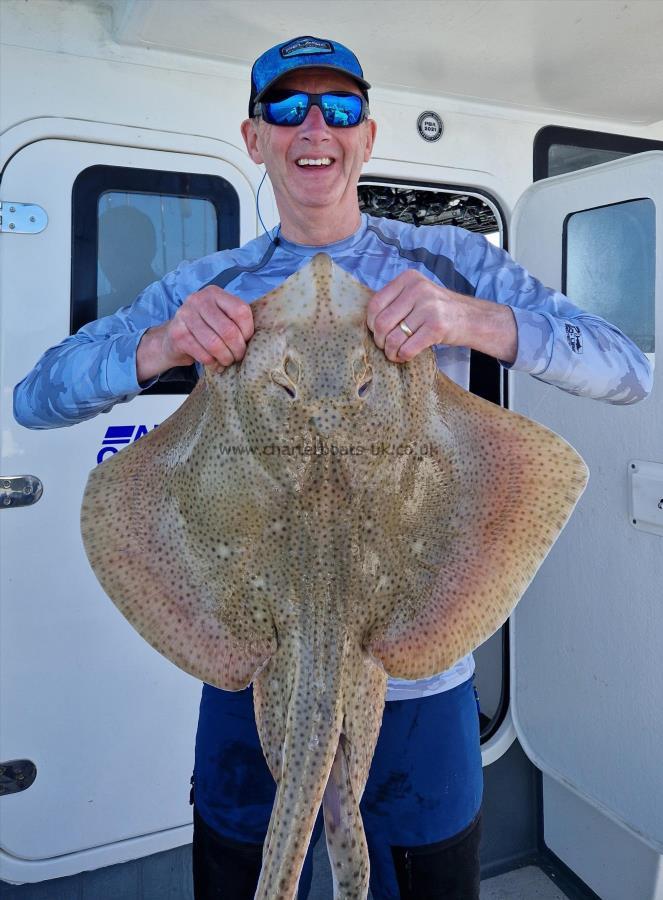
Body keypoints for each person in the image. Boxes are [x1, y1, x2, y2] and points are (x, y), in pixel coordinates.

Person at [14, 34, 652, 900]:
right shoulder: (217, 279)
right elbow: (36, 396)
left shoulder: (450, 262)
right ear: (254, 138)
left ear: (367, 133)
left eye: (338, 107)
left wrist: (472, 321)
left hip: (416, 672)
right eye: (287, 107)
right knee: (248, 875)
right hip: (258, 651)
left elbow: (629, 370)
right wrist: (160, 344)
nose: (314, 126)